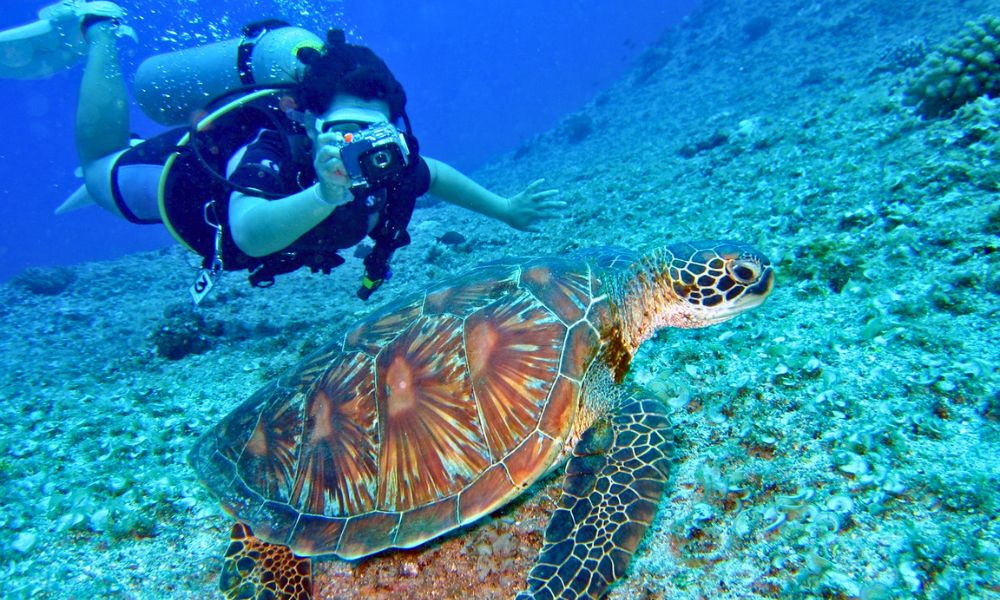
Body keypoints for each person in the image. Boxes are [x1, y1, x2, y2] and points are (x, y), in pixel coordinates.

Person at [5, 1, 565, 299]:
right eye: (343, 130)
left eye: (376, 131)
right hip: (178, 184)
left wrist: (506, 209)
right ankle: (99, 28)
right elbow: (248, 231)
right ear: (305, 117)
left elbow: (434, 174)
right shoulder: (274, 142)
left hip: (254, 183)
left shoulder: (384, 161)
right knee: (98, 169)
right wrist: (323, 195)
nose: (360, 147)